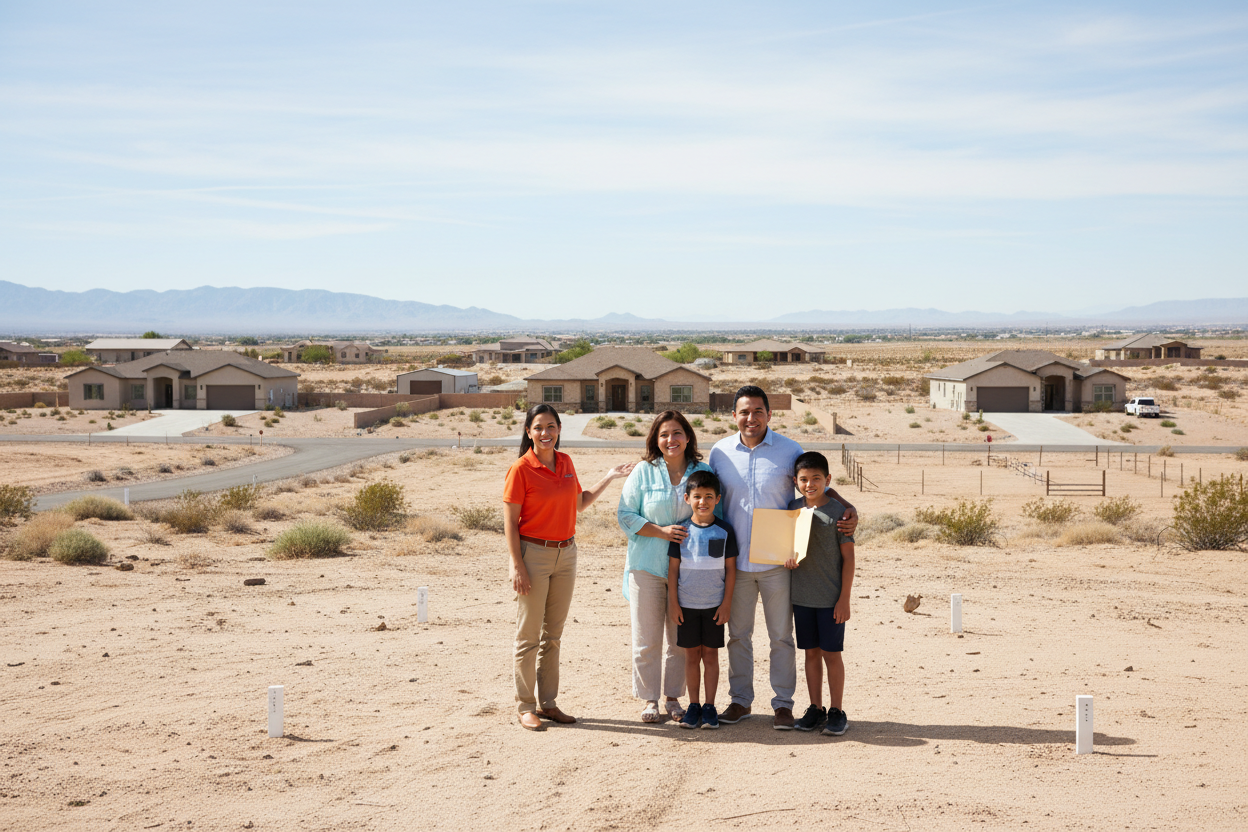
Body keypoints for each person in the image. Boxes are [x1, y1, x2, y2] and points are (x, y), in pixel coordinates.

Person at [709, 385, 858, 730]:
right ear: (734, 415)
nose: (751, 418)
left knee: (781, 637)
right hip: (737, 565)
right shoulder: (719, 452)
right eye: (744, 412)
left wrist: (847, 507)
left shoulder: (789, 451)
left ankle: (783, 705)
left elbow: (812, 481)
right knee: (738, 636)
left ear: (769, 414)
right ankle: (740, 701)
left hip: (780, 563)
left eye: (758, 411)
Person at [504, 404, 635, 731]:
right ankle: (525, 706)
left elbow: (579, 503)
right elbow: (509, 523)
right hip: (533, 554)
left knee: (554, 635)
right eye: (538, 427)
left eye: (551, 426)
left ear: (559, 430)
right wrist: (517, 564)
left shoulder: (565, 462)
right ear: (528, 432)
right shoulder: (520, 469)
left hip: (567, 554)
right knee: (529, 635)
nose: (545, 433)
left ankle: (548, 703)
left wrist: (609, 476)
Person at [616, 411, 712, 723]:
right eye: (664, 435)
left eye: (677, 433)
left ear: (688, 436)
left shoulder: (703, 470)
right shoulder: (643, 471)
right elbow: (626, 515)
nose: (671, 440)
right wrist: (662, 531)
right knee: (647, 638)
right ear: (656, 440)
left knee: (680, 639)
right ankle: (649, 700)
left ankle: (673, 698)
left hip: (689, 570)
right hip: (646, 567)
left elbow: (714, 513)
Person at [784, 452, 856, 736]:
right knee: (810, 653)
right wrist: (786, 557)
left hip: (830, 599)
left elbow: (849, 559)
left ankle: (837, 711)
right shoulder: (792, 509)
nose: (810, 484)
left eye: (816, 478)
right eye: (803, 479)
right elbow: (785, 547)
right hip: (801, 597)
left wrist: (844, 598)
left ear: (828, 480)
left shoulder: (840, 513)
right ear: (795, 482)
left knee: (832, 654)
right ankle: (816, 708)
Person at [667, 470, 737, 730]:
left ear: (717, 499)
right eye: (697, 496)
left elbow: (731, 570)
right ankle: (693, 705)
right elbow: (673, 570)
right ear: (687, 498)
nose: (703, 502)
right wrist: (673, 603)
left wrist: (726, 603)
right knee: (691, 657)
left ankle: (709, 706)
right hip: (686, 607)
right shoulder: (680, 531)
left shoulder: (725, 530)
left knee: (710, 656)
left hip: (714, 607)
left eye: (709, 496)